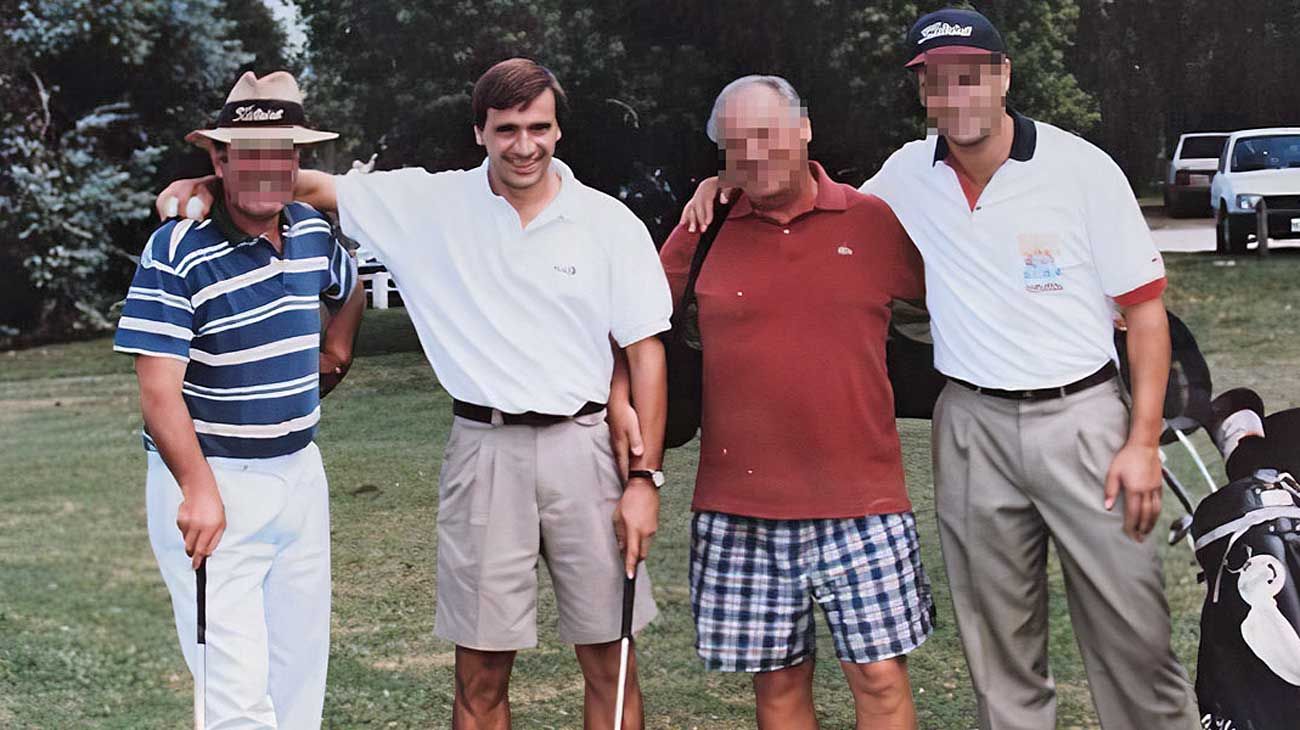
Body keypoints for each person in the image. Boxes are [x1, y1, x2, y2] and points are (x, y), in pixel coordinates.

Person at [681, 9, 1200, 729]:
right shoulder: (904, 178)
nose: (954, 97)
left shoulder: (1081, 169)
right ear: (922, 93)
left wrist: (1143, 443)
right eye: (936, 83)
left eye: (970, 77)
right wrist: (723, 184)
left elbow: (1145, 314)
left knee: (1134, 644)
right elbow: (805, 198)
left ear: (1002, 77)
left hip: (1083, 420)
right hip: (972, 426)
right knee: (999, 657)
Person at [158, 58, 670, 729]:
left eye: (538, 127)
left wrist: (645, 480)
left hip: (588, 449)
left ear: (558, 131)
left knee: (612, 658)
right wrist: (204, 179)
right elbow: (306, 181)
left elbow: (646, 353)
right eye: (506, 128)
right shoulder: (431, 204)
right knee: (480, 675)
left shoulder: (607, 222)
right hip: (484, 452)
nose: (524, 145)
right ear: (480, 131)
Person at [644, 75, 933, 730]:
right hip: (739, 506)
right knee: (776, 686)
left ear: (804, 130)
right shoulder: (703, 230)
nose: (755, 155)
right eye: (736, 145)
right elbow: (632, 324)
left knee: (882, 681)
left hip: (864, 501)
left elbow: (962, 292)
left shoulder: (870, 220)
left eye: (768, 135)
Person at [115, 70, 364, 728]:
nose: (264, 168)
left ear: (297, 162)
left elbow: (350, 287)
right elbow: (157, 390)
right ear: (218, 159)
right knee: (235, 698)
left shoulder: (312, 232)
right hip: (211, 481)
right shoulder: (177, 248)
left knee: (299, 679)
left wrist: (335, 355)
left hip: (299, 476)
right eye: (246, 153)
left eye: (279, 153)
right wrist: (197, 488)